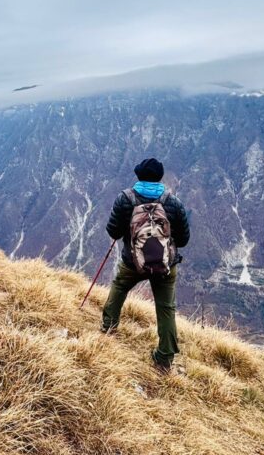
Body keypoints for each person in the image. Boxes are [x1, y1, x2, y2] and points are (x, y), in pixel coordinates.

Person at [100, 158, 190, 373]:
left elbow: (113, 231)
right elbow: (184, 240)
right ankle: (165, 357)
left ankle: (108, 329)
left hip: (133, 262)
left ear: (139, 175)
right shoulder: (173, 202)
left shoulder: (125, 198)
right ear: (160, 177)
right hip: (165, 265)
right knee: (166, 307)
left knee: (120, 287)